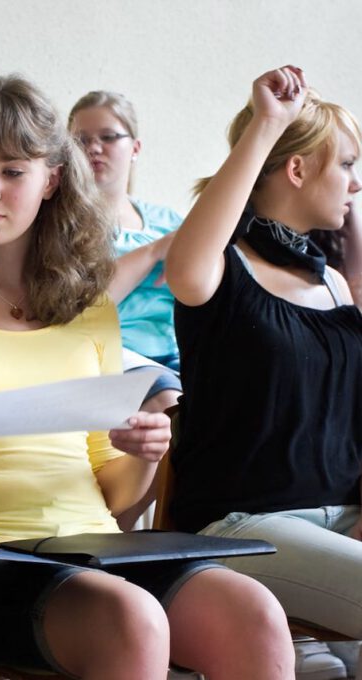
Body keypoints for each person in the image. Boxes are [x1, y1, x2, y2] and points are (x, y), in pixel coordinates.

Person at [0, 75, 294, 680]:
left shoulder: (90, 308)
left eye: (12, 171)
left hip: (91, 550)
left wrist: (142, 453)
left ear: (51, 179)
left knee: (254, 613)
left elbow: (117, 499)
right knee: (129, 617)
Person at [166, 66, 362, 679]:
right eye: (347, 164)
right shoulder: (221, 271)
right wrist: (267, 122)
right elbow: (184, 266)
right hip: (244, 526)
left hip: (344, 517)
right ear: (296, 170)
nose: (356, 184)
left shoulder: (330, 283)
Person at [68, 91, 182, 415]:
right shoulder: (63, 226)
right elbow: (83, 307)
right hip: (108, 354)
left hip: (174, 352)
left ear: (135, 148)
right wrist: (154, 251)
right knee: (169, 403)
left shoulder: (169, 221)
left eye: (108, 137)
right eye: (81, 139)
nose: (93, 148)